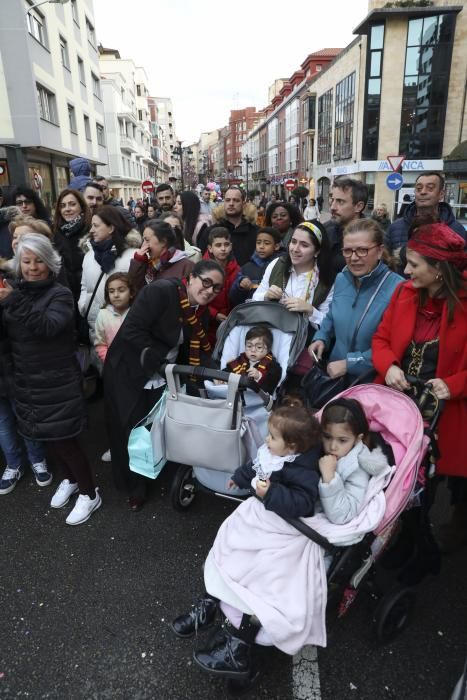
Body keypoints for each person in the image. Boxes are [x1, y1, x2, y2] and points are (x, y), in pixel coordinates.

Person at [173, 399, 390, 680]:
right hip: (289, 520)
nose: (332, 445)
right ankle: (210, 602)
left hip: (312, 530)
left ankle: (239, 645)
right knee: (237, 543)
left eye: (342, 440)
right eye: (327, 436)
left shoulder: (357, 467)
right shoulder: (311, 448)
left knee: (268, 573)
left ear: (359, 439)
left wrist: (329, 479)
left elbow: (342, 514)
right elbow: (274, 465)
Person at [372, 220, 467, 557]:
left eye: (413, 264)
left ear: (439, 270)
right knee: (398, 471)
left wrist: (454, 384)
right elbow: (381, 339)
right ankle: (398, 532)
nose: (405, 270)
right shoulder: (404, 293)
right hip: (401, 398)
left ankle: (436, 534)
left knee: (436, 478)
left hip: (449, 408)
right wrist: (390, 366)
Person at [103, 259, 224, 510]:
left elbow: (198, 351)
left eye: (217, 288)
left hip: (162, 372)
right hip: (130, 370)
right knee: (128, 428)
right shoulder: (161, 292)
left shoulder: (199, 314)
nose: (210, 290)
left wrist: (221, 375)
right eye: (206, 282)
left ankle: (149, 470)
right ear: (191, 278)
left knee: (152, 428)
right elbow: (133, 331)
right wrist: (157, 361)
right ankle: (133, 486)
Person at [0, 234, 100, 524]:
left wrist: (13, 301)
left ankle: (89, 493)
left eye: (39, 261)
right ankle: (69, 480)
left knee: (66, 441)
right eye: (27, 261)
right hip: (28, 381)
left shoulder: (59, 294)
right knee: (50, 439)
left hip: (57, 380)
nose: (33, 267)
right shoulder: (16, 291)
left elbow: (47, 327)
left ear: (51, 263)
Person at [309, 219, 403, 383]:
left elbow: (395, 346)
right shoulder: (341, 279)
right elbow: (332, 314)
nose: (353, 258)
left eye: (362, 250)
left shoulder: (398, 288)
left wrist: (349, 364)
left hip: (371, 381)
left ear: (380, 251)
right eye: (348, 251)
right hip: (335, 376)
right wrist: (321, 336)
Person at [253, 221, 335, 331]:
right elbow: (254, 300)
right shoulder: (278, 264)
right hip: (268, 334)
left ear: (317, 251)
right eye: (293, 241)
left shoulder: (326, 279)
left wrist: (310, 310)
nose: (295, 249)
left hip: (302, 341)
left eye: (304, 245)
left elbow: (328, 324)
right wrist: (266, 296)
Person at [78, 206, 141, 346]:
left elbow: (139, 291)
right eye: (91, 226)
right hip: (95, 327)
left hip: (125, 329)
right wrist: (83, 305)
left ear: (111, 228)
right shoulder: (89, 256)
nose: (91, 230)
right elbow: (84, 287)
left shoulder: (132, 256)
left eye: (96, 226)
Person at [385, 173, 466, 265]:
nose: (423, 192)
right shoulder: (395, 227)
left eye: (430, 188)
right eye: (419, 188)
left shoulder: (456, 230)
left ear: (441, 194)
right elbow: (385, 262)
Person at [198, 186, 258, 266]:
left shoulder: (255, 232)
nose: (231, 204)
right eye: (228, 200)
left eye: (236, 200)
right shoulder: (210, 232)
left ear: (243, 204)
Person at [128, 219, 194, 293]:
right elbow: (133, 290)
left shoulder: (186, 266)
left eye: (147, 240)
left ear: (163, 242)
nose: (143, 245)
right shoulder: (149, 265)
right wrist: (138, 262)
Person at [52, 188, 91, 303]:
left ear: (81, 206)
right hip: (64, 295)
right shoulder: (53, 232)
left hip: (88, 294)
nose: (67, 209)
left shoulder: (91, 229)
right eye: (63, 206)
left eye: (72, 204)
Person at [203, 227, 240, 344]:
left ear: (231, 246)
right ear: (210, 248)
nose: (223, 249)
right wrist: (214, 314)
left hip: (230, 322)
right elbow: (197, 298)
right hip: (207, 324)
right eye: (218, 245)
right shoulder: (203, 269)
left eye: (226, 244)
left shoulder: (237, 269)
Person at [229, 227, 282, 306]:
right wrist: (240, 285)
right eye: (258, 242)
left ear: (276, 246)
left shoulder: (282, 266)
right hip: (252, 312)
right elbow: (234, 299)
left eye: (267, 243)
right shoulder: (247, 268)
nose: (261, 246)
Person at [325, 177, 368, 273]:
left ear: (358, 206)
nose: (332, 207)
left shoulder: (372, 237)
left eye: (340, 202)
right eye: (332, 200)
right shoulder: (325, 230)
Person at [223, 325, 282, 395]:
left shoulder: (273, 366)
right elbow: (225, 372)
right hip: (235, 396)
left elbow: (270, 386)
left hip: (256, 400)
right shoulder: (240, 361)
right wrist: (220, 379)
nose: (253, 350)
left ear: (268, 349)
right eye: (249, 346)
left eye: (259, 347)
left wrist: (259, 376)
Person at [94, 272, 135, 363]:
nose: (116, 295)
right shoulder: (103, 315)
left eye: (121, 290)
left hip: (137, 366)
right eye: (111, 291)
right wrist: (110, 362)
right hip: (113, 367)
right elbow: (101, 344)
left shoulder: (136, 313)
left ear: (131, 293)